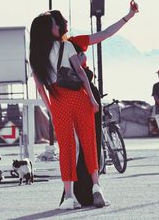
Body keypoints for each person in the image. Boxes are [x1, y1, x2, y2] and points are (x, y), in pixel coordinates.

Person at [48, 0, 138, 206]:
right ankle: (94, 188)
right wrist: (129, 16)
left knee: (72, 146)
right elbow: (105, 34)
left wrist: (128, 16)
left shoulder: (56, 47)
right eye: (62, 20)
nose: (66, 21)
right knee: (91, 142)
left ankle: (73, 194)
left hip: (65, 96)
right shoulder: (72, 43)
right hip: (86, 92)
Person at [29, 13, 105, 210]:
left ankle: (70, 197)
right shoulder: (67, 45)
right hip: (79, 97)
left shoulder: (35, 55)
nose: (57, 27)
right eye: (54, 25)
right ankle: (96, 186)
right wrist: (91, 98)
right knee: (89, 141)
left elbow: (40, 88)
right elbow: (80, 73)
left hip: (58, 101)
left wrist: (51, 110)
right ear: (47, 29)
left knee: (68, 149)